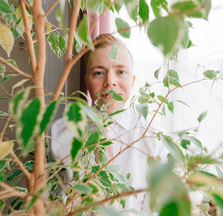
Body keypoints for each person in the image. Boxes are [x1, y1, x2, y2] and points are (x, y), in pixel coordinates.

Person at [50, 34, 163, 213]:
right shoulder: (59, 133)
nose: (110, 81)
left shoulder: (153, 141)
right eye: (99, 73)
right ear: (87, 81)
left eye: (120, 72)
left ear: (132, 80)